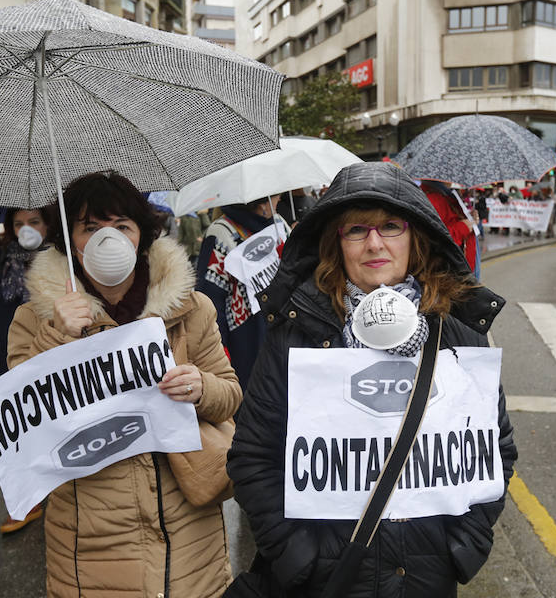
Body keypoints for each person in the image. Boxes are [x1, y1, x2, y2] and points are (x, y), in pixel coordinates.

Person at [226, 162, 517, 597]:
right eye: (357, 230)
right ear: (336, 243)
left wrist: (462, 544)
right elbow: (252, 458)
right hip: (329, 581)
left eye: (390, 226)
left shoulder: (459, 335)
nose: (374, 243)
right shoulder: (296, 337)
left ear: (415, 236)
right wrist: (298, 555)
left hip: (425, 578)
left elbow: (497, 450)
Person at [7, 171, 242, 598]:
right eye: (91, 228)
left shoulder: (191, 309)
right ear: (70, 241)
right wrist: (57, 336)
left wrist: (201, 388)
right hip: (92, 534)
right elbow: (18, 425)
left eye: (121, 226)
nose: (106, 240)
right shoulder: (34, 319)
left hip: (187, 526)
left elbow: (229, 394)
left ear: (143, 235)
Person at [0, 207, 52, 533]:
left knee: (48, 423)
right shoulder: (4, 255)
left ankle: (59, 489)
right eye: (19, 223)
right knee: (16, 430)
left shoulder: (63, 258)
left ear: (48, 224)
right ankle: (26, 502)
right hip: (3, 353)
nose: (26, 229)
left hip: (47, 354)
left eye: (33, 222)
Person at [195, 195, 287, 391]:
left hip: (285, 334)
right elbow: (210, 300)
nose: (279, 198)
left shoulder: (280, 224)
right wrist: (218, 352)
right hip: (246, 342)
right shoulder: (221, 233)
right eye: (277, 195)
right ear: (262, 200)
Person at [420, 179, 478, 272]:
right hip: (450, 273)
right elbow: (432, 241)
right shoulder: (432, 199)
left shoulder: (444, 195)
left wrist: (470, 219)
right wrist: (462, 227)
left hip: (460, 269)